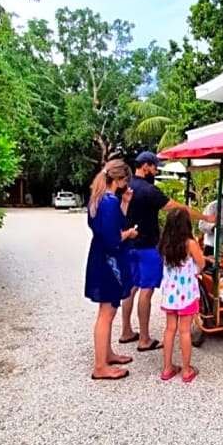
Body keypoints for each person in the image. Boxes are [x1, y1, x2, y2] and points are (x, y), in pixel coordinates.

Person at [118, 151, 214, 353]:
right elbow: (177, 209)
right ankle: (144, 339)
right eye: (154, 167)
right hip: (146, 246)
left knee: (131, 287)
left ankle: (126, 331)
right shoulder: (150, 190)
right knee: (146, 290)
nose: (155, 171)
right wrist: (204, 217)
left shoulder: (126, 187)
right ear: (145, 166)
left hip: (129, 245)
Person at [84, 159, 139, 380]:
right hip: (109, 262)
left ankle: (106, 354)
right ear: (119, 179)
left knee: (107, 311)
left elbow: (113, 226)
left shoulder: (98, 199)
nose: (126, 184)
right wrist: (129, 234)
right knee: (106, 314)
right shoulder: (107, 202)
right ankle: (100, 367)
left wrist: (125, 203)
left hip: (100, 258)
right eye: (125, 179)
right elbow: (113, 238)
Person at [158, 208, 206, 383]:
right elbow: (201, 263)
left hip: (170, 293)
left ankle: (167, 368)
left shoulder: (164, 243)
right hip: (186, 293)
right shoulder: (190, 244)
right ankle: (186, 370)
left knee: (170, 329)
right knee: (184, 331)